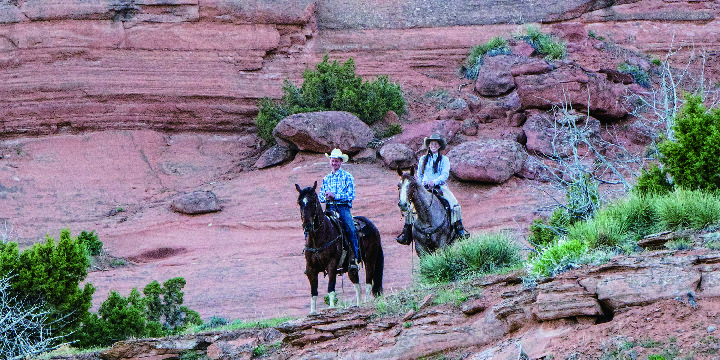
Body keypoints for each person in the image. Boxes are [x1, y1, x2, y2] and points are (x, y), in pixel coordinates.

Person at [396, 134, 469, 244]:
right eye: (431, 143)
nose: (433, 145)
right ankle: (406, 233)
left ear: (439, 146)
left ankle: (459, 229)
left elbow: (445, 175)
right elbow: (419, 175)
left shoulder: (444, 159)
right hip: (424, 187)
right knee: (410, 207)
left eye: (436, 143)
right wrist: (422, 183)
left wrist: (434, 182)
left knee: (454, 204)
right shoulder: (423, 159)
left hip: (440, 187)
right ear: (429, 145)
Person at [319, 148, 360, 270]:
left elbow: (351, 195)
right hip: (329, 208)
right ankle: (313, 257)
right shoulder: (326, 178)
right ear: (330, 161)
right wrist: (326, 197)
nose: (334, 163)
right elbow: (321, 195)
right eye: (332, 161)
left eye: (336, 161)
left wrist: (335, 196)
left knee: (351, 228)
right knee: (314, 226)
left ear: (341, 162)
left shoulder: (348, 177)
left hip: (342, 208)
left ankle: (354, 258)